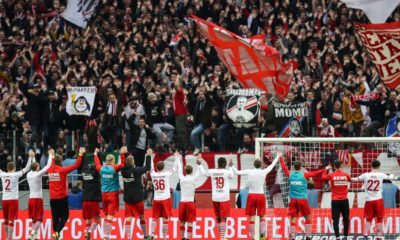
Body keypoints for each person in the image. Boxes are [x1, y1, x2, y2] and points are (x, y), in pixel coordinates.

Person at [229, 154, 281, 240]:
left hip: (251, 196)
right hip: (260, 195)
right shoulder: (264, 171)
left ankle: (252, 237)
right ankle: (262, 236)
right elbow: (272, 165)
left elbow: (237, 172)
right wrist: (278, 157)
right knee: (262, 216)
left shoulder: (250, 171)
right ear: (261, 165)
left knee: (252, 217)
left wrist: (232, 166)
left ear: (254, 165)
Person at [351, 160, 400, 240]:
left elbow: (354, 179)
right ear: (379, 166)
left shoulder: (366, 175)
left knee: (368, 219)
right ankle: (379, 237)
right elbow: (393, 178)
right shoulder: (381, 175)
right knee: (379, 219)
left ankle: (365, 236)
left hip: (369, 200)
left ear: (371, 166)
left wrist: (346, 177)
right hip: (378, 200)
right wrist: (397, 178)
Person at [279, 157, 325, 240]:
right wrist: (325, 169)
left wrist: (281, 158)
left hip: (293, 200)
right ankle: (308, 236)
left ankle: (292, 237)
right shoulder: (304, 175)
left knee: (293, 217)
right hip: (302, 200)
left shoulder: (290, 174)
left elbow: (284, 167)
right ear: (300, 167)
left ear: (294, 167)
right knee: (307, 217)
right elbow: (315, 173)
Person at [48, 147, 84, 240]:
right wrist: (80, 154)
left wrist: (51, 155)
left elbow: (52, 164)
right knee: (64, 216)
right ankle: (56, 233)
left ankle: (56, 236)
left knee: (55, 218)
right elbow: (76, 165)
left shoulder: (50, 170)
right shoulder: (62, 170)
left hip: (52, 198)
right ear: (61, 162)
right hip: (61, 197)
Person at [94, 146, 127, 240]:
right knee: (110, 216)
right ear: (112, 160)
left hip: (104, 195)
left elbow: (97, 164)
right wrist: (122, 153)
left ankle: (105, 235)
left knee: (107, 215)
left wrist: (95, 154)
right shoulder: (114, 168)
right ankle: (106, 236)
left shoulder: (101, 169)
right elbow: (123, 164)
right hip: (113, 195)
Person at [199, 157, 233, 240]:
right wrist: (231, 166)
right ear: (225, 164)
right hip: (224, 197)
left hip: (215, 197)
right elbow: (232, 176)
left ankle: (221, 237)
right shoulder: (226, 172)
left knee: (218, 217)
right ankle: (222, 238)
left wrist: (199, 165)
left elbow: (203, 173)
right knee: (224, 218)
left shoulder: (212, 171)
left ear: (217, 163)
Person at [1, 150, 32, 240]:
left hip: (4, 199)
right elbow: (27, 168)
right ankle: (10, 238)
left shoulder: (3, 174)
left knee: (6, 219)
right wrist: (30, 157)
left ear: (7, 168)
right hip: (13, 200)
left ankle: (7, 237)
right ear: (14, 168)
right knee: (11, 220)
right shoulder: (16, 174)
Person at [148, 151, 179, 239]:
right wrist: (176, 157)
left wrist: (150, 157)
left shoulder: (153, 174)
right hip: (165, 199)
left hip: (156, 199)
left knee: (154, 218)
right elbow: (175, 168)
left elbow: (150, 167)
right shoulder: (166, 174)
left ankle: (152, 234)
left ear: (156, 168)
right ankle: (164, 237)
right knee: (165, 218)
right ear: (163, 168)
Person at [121, 151, 151, 240]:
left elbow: (123, 164)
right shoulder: (136, 170)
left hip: (127, 198)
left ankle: (129, 238)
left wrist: (123, 154)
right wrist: (148, 156)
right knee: (141, 216)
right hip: (137, 197)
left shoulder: (123, 171)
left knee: (128, 218)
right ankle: (145, 236)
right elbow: (147, 167)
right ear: (133, 162)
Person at [321, 160, 351, 240]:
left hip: (335, 201)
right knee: (346, 219)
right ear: (341, 166)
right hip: (344, 200)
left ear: (334, 167)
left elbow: (323, 177)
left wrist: (326, 169)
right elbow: (350, 180)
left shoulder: (331, 175)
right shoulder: (346, 175)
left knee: (335, 220)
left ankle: (337, 237)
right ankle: (345, 237)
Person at [27, 148, 53, 240]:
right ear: (37, 167)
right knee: (40, 218)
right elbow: (48, 166)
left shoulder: (29, 174)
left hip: (30, 199)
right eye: (38, 166)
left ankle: (35, 237)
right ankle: (32, 233)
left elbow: (33, 165)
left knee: (34, 218)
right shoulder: (38, 174)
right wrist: (50, 155)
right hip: (38, 199)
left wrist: (33, 157)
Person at [177, 154, 203, 240]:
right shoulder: (193, 178)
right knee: (190, 222)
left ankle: (182, 238)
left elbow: (179, 169)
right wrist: (199, 161)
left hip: (182, 202)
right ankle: (188, 238)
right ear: (191, 171)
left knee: (182, 222)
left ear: (185, 171)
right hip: (190, 202)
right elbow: (199, 171)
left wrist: (178, 158)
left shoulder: (181, 178)